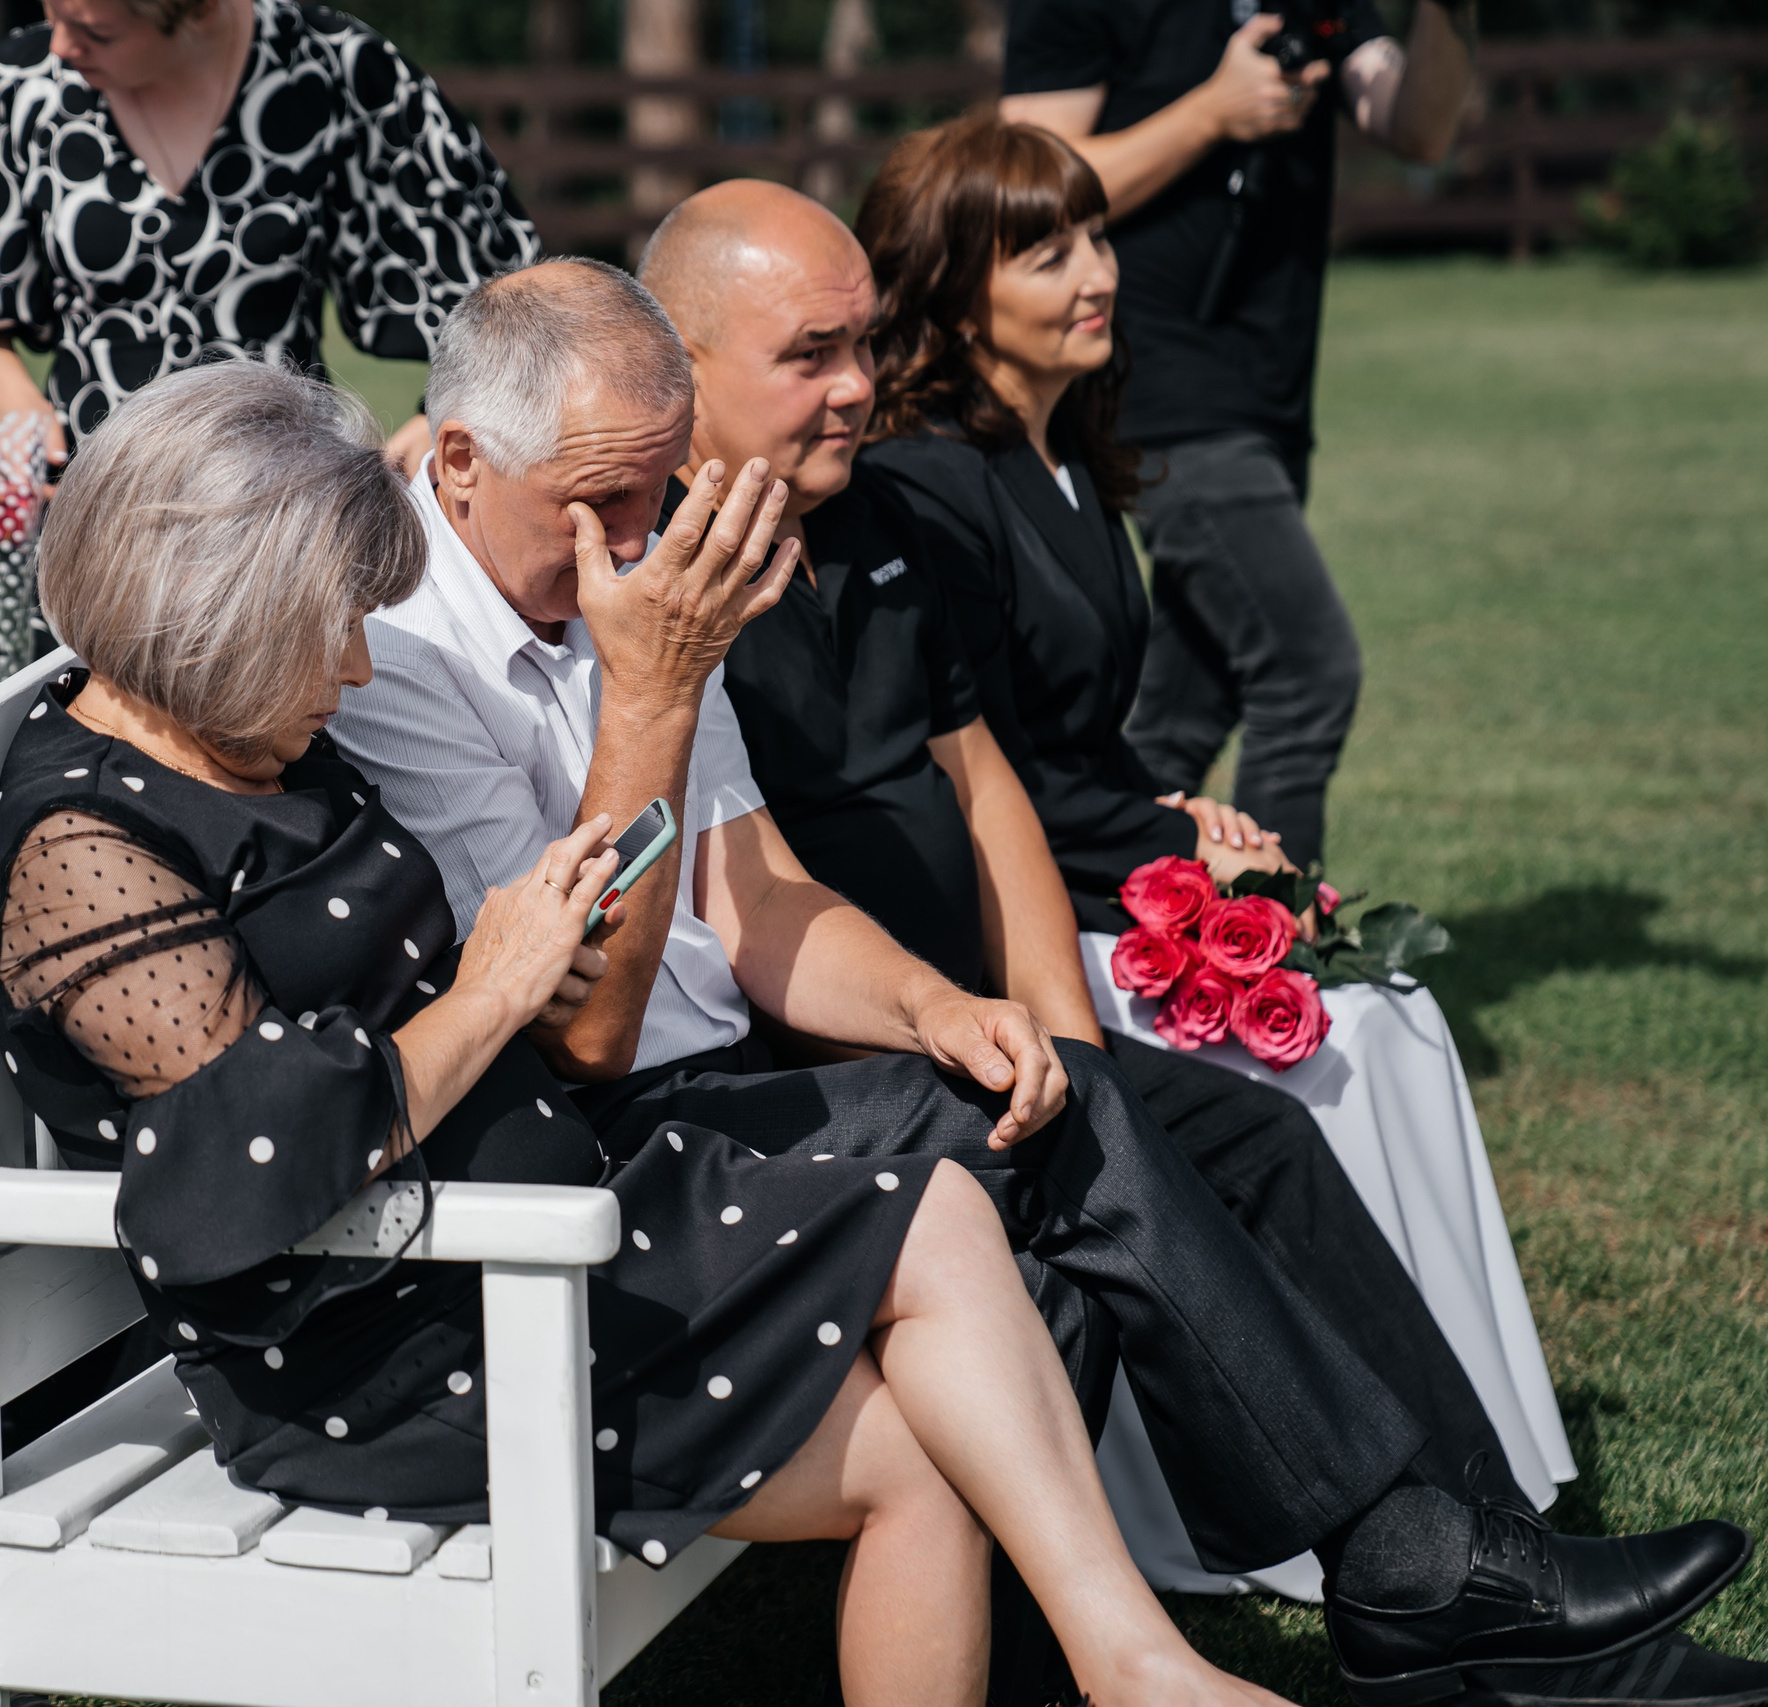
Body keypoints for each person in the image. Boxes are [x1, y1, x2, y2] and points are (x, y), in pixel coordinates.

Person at [325, 258, 1767, 1704]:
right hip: (614, 1147)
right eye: (605, 499)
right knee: (1077, 1132)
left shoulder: (629, 580)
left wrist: (927, 1004)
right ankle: (1411, 1576)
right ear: (458, 459)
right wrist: (650, 694)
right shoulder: (401, 656)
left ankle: (1473, 1565)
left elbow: (758, 902)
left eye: (655, 489)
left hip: (735, 1089)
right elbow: (588, 1029)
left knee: (1220, 1122)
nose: (640, 536)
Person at [0, 357, 1303, 1707]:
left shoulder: (257, 741)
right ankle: (1144, 1663)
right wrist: (491, 989)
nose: (360, 663)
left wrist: (548, 953)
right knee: (935, 1385)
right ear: (217, 613)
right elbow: (244, 1176)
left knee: (947, 1247)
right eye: (331, 625)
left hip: (534, 1226)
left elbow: (402, 1002)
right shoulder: (85, 842)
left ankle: (1135, 1659)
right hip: (388, 1337)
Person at [641, 171, 1557, 1566]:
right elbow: (741, 899)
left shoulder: (877, 516)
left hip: (989, 1028)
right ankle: (1415, 1564)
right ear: (678, 363)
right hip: (822, 1057)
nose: (857, 385)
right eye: (808, 356)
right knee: (1106, 1197)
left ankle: (1486, 1525)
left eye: (867, 344)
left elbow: (982, 776)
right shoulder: (658, 580)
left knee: (1265, 1134)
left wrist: (1068, 1029)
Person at [996, 0, 1476, 868]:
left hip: (1271, 392)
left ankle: (1090, 953)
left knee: (1175, 728)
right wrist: (1212, 112)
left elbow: (1417, 128)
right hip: (1153, 384)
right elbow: (1028, 185)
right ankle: (1283, 968)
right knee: (1306, 672)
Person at [0, 0, 537, 477]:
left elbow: (495, 272)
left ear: (198, 10)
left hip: (279, 494)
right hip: (94, 491)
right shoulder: (20, 84)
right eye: (49, 11)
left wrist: (438, 414)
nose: (59, 44)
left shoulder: (331, 70)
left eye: (95, 31)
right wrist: (8, 393)